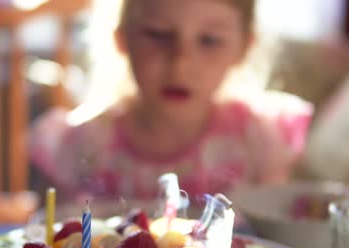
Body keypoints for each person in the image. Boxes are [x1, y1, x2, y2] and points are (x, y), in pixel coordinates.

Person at [29, 0, 312, 201]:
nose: (180, 62)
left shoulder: (260, 140)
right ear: (121, 37)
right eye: (158, 34)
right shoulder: (81, 143)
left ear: (243, 48)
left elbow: (273, 244)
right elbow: (53, 236)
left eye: (209, 40)